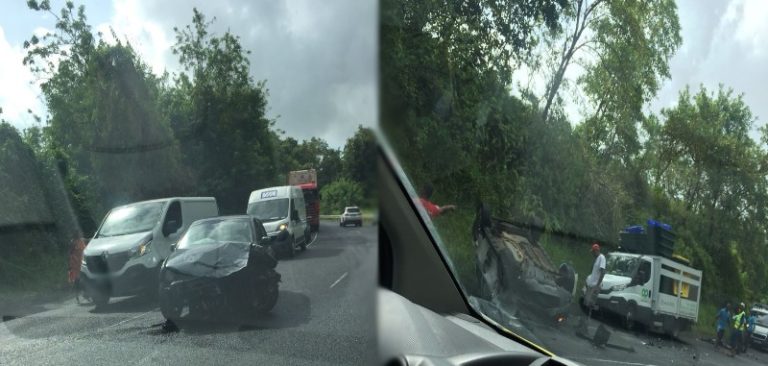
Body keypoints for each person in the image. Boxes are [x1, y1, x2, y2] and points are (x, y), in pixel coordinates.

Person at [584, 243, 606, 310]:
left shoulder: (602, 258)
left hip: (595, 286)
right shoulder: (597, 259)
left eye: (593, 252)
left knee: (589, 303)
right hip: (591, 285)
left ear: (596, 251)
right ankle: (585, 318)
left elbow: (603, 272)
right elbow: (595, 273)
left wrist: (597, 285)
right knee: (586, 302)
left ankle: (588, 318)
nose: (592, 254)